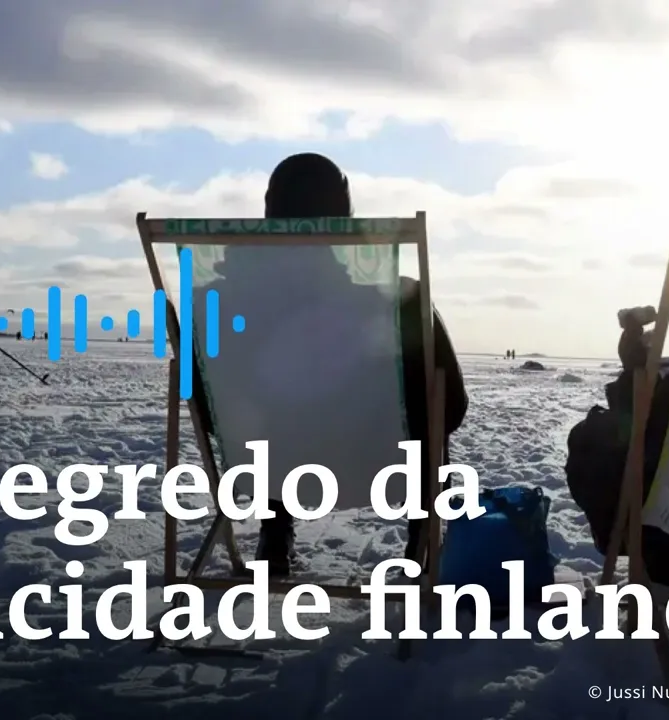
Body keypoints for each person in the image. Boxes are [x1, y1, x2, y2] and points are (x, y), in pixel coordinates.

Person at [190, 152, 469, 576]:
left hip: (266, 460)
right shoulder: (397, 304)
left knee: (268, 411)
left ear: (269, 213)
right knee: (427, 387)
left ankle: (275, 532)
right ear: (343, 218)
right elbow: (450, 407)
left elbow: (203, 404)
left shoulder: (216, 301)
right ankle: (423, 538)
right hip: (369, 458)